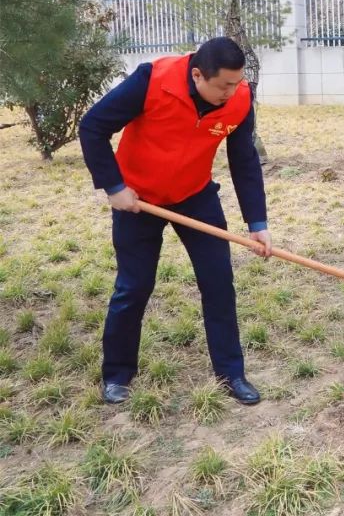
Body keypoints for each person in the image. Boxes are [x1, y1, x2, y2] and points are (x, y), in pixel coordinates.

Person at [79, 37, 272, 405]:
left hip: (195, 196)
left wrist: (257, 223)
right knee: (133, 287)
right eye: (223, 86)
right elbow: (92, 127)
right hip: (138, 200)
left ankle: (231, 373)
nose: (232, 92)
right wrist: (114, 186)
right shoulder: (152, 80)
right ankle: (117, 374)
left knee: (218, 283)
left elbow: (244, 161)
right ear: (197, 74)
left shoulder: (240, 100)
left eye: (237, 83)